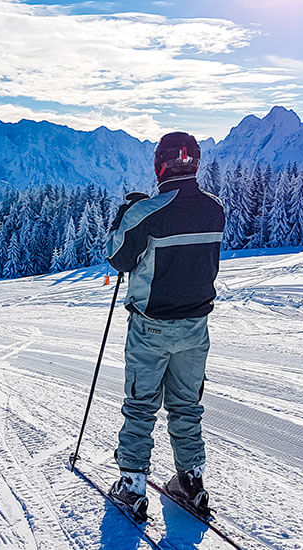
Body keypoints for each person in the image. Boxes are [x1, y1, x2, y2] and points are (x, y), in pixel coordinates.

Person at [104, 131, 225, 519]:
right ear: (195, 163)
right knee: (187, 406)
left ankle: (132, 484)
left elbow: (118, 259)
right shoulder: (215, 209)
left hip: (151, 327)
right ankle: (190, 480)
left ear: (159, 165)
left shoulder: (146, 213)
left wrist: (125, 218)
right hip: (196, 327)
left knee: (141, 405)